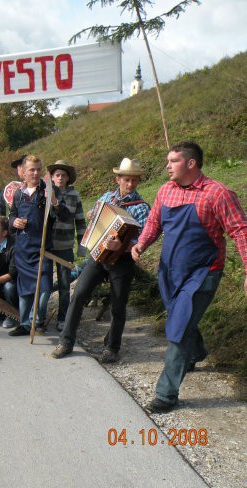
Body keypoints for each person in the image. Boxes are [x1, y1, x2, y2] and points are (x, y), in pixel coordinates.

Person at [131, 142, 247, 413]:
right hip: (170, 272)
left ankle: (166, 394)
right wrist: (141, 244)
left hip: (203, 272)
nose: (167, 166)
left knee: (179, 328)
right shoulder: (165, 190)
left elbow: (241, 232)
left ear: (191, 163)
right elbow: (154, 223)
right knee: (181, 318)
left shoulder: (217, 194)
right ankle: (196, 353)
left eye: (173, 161)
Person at [51, 158, 151, 361]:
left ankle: (112, 348)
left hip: (122, 261)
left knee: (118, 304)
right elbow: (95, 219)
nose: (130, 184)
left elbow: (140, 241)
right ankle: (65, 341)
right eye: (126, 180)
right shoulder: (107, 197)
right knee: (78, 294)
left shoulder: (141, 207)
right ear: (118, 179)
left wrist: (122, 246)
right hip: (98, 256)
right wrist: (91, 214)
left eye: (134, 180)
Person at [7, 155, 61, 336]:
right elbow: (11, 217)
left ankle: (36, 320)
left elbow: (63, 216)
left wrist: (54, 202)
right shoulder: (18, 194)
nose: (36, 173)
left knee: (44, 287)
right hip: (23, 248)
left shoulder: (47, 191)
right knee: (25, 289)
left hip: (42, 247)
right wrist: (14, 222)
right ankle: (24, 324)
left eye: (38, 169)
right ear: (23, 172)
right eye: (32, 169)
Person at [35, 160, 87, 332]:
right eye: (57, 175)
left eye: (63, 175)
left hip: (65, 246)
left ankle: (63, 318)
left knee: (65, 285)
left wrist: (82, 243)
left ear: (68, 178)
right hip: (48, 245)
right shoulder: (45, 193)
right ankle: (39, 318)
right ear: (52, 177)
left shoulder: (74, 195)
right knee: (44, 284)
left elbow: (80, 220)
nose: (60, 178)